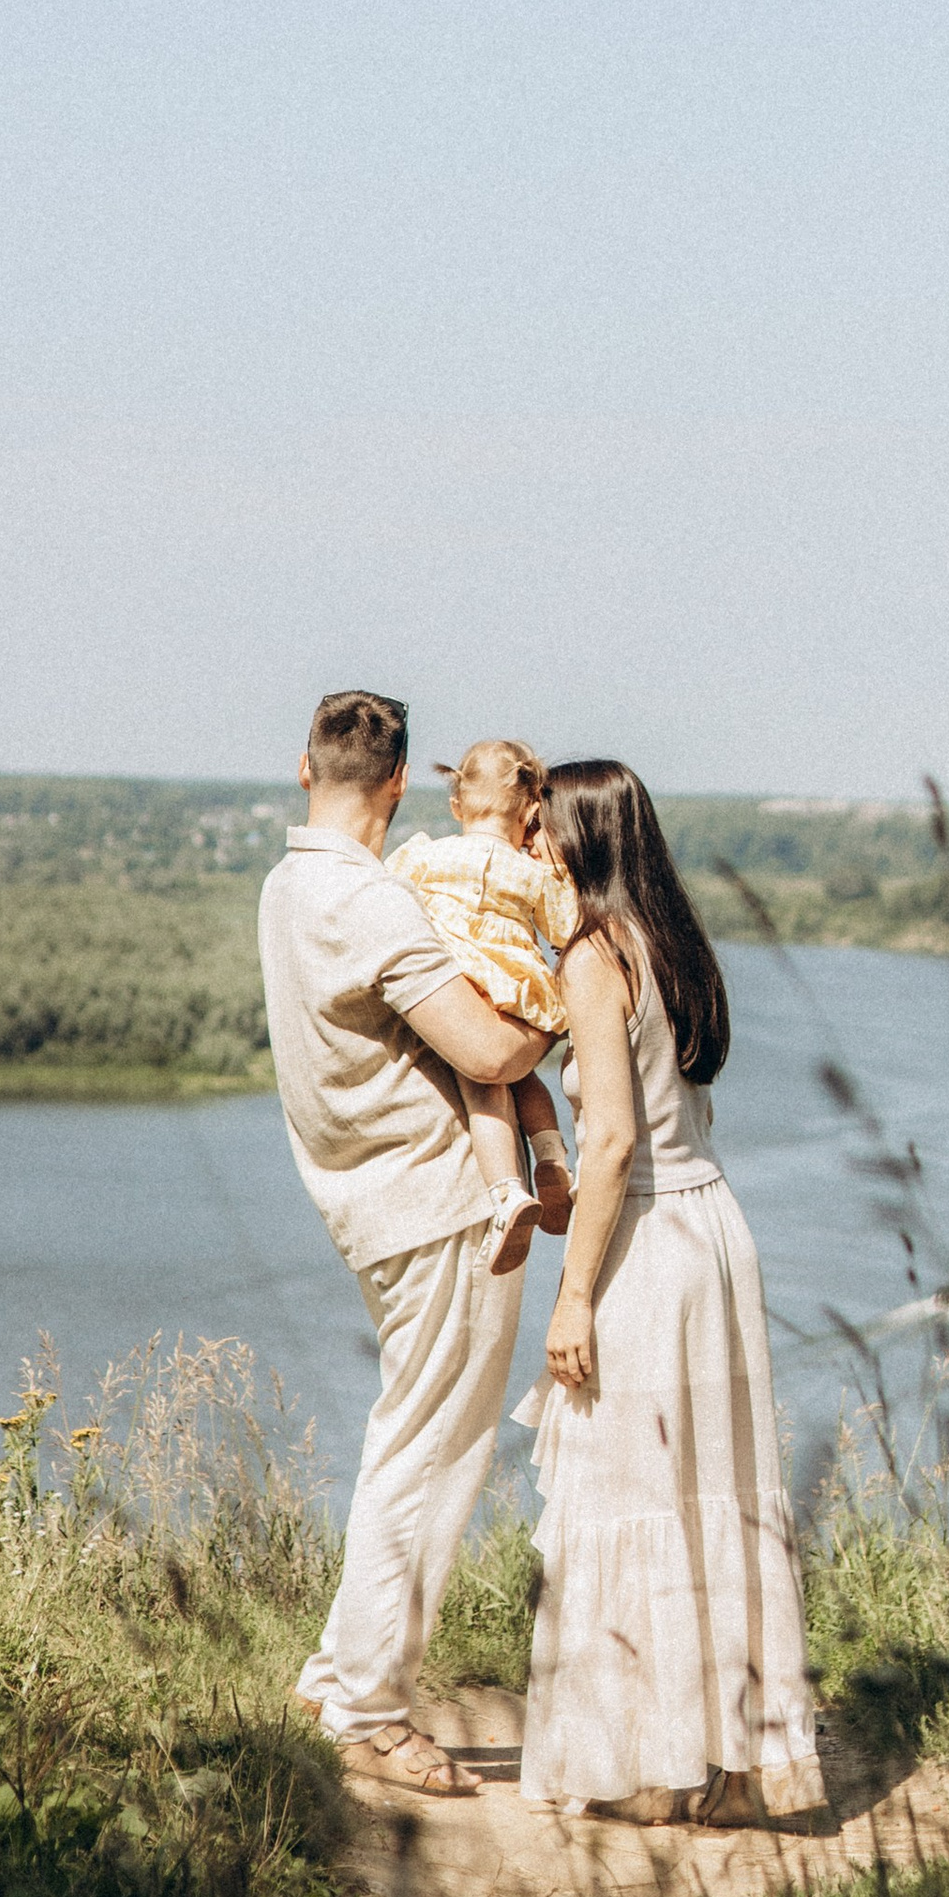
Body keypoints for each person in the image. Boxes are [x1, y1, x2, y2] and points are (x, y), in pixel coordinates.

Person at [259, 687, 556, 1798]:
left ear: (305, 770)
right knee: (432, 1456)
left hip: (362, 1199)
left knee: (408, 1436)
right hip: (438, 1207)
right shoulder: (371, 903)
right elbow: (485, 1049)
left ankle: (339, 1670)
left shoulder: (286, 885)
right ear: (397, 786)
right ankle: (373, 1715)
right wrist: (562, 1009)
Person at [519, 758, 826, 1826]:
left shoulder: (594, 959)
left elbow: (607, 1145)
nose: (529, 849)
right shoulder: (673, 944)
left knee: (629, 1493)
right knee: (716, 1494)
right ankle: (737, 1767)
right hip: (717, 1230)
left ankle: (649, 1771)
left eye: (538, 831)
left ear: (576, 840)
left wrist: (571, 1297)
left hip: (650, 1240)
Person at [389, 737, 579, 1271]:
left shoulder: (427, 855)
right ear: (532, 810)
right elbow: (564, 928)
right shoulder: (535, 874)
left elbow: (389, 897)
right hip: (517, 990)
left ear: (456, 806)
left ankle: (506, 1193)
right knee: (523, 1078)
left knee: (482, 1083)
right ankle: (552, 1159)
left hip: (464, 989)